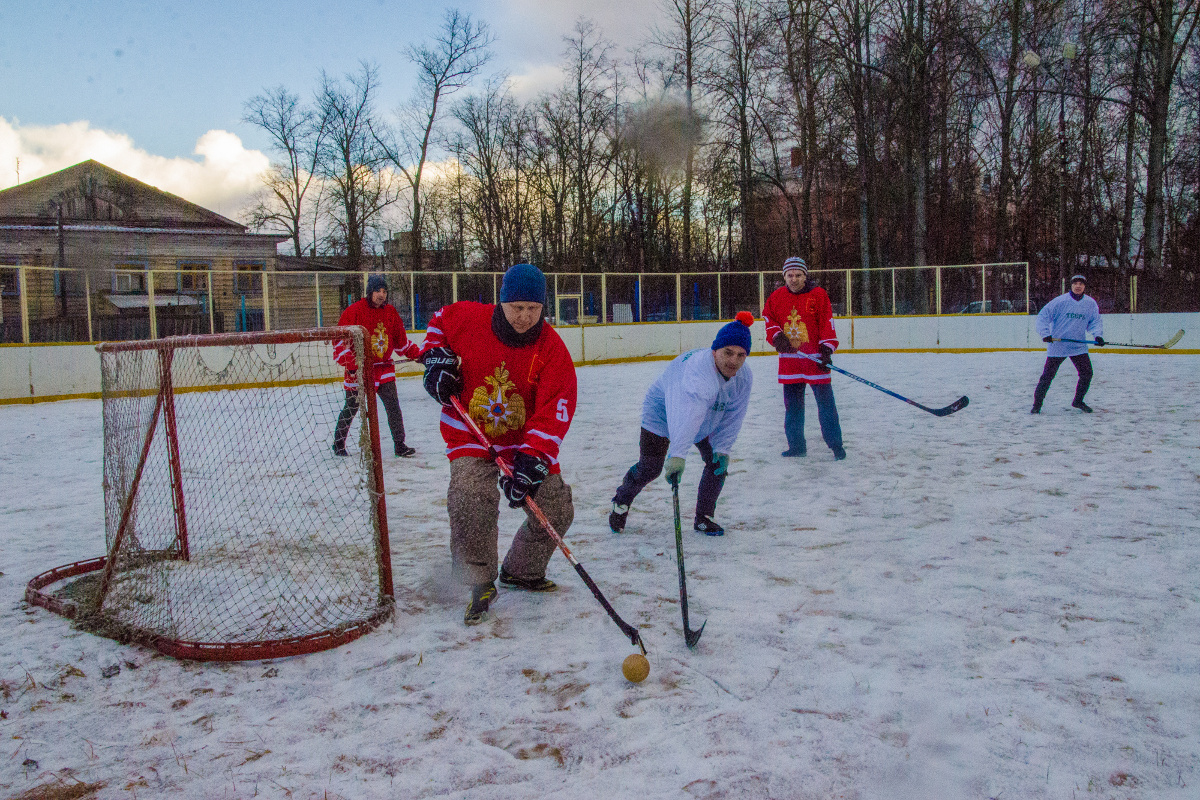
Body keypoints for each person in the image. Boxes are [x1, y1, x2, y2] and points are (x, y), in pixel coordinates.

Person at [420, 263, 578, 626]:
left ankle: (521, 570)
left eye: (533, 309)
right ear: (501, 302)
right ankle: (477, 579)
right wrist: (436, 360)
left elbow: (557, 406)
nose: (524, 317)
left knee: (556, 506)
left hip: (523, 440)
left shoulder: (551, 348)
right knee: (469, 495)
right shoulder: (468, 318)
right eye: (516, 308)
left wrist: (534, 458)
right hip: (470, 432)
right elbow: (438, 324)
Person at [609, 314, 754, 537]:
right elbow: (686, 414)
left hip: (704, 417)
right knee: (651, 468)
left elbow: (734, 414)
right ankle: (622, 499)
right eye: (728, 352)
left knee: (717, 463)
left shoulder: (743, 377)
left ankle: (704, 517)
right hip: (663, 413)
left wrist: (722, 449)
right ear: (714, 350)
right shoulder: (698, 373)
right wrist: (677, 454)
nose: (734, 361)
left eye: (741, 355)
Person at [761, 256, 845, 460]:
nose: (794, 279)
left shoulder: (818, 295)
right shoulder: (776, 297)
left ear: (805, 276)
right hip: (790, 360)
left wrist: (826, 350)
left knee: (826, 406)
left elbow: (827, 322)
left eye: (798, 275)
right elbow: (768, 318)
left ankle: (836, 445)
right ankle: (797, 446)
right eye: (789, 275)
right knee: (793, 408)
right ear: (784, 277)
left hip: (815, 360)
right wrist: (777, 336)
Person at [332, 274, 423, 458]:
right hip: (359, 372)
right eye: (377, 291)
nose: (381, 295)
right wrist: (351, 364)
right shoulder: (353, 311)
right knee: (351, 407)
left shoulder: (390, 312)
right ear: (369, 292)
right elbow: (339, 343)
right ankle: (338, 444)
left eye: (384, 291)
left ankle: (400, 444)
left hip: (383, 370)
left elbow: (400, 342)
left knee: (393, 407)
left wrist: (420, 355)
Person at [1032, 274, 1104, 414]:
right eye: (1075, 283)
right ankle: (1036, 405)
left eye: (1081, 284)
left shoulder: (1090, 303)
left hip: (1078, 346)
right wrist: (1045, 333)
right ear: (1071, 285)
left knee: (1087, 373)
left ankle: (1078, 401)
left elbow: (1095, 321)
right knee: (1047, 376)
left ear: (1084, 286)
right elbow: (1043, 316)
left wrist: (1098, 335)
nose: (1078, 286)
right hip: (1058, 346)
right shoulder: (1060, 301)